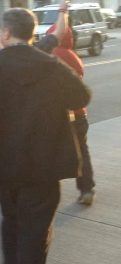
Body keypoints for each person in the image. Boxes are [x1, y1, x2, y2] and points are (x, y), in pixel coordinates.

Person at [0, 8, 91, 264]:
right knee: (36, 233)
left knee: (11, 221)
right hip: (44, 166)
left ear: (6, 33)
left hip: (4, 165)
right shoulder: (52, 66)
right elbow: (81, 97)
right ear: (32, 33)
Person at [45, 18, 95, 205]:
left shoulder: (49, 56)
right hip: (78, 112)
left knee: (48, 153)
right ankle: (86, 189)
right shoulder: (74, 57)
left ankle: (47, 193)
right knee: (81, 151)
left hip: (55, 115)